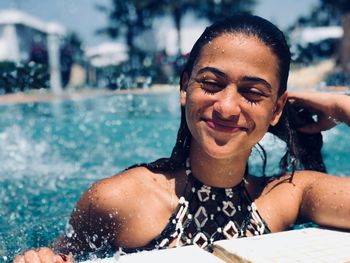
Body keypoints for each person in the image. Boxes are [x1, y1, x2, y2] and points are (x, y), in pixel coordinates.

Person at [14, 14, 350, 263]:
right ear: (184, 87)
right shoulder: (120, 200)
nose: (228, 107)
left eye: (252, 93)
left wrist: (340, 105)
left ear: (276, 109)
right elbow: (61, 254)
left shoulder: (289, 196)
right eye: (211, 83)